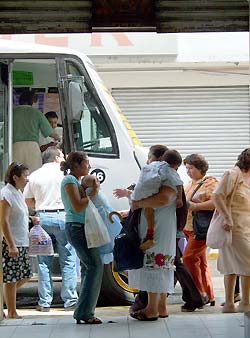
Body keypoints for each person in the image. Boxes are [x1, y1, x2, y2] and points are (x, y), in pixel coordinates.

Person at [114, 145, 204, 314]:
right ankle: (160, 306)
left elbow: (163, 199)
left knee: (154, 263)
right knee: (164, 264)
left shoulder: (163, 173)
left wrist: (139, 203)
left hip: (157, 227)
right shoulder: (168, 175)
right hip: (165, 226)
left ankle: (152, 309)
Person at [23, 147, 78, 312]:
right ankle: (70, 300)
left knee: (43, 262)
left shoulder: (34, 175)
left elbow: (28, 200)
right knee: (68, 259)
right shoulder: (64, 175)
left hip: (43, 219)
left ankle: (45, 302)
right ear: (56, 158)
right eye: (62, 155)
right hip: (63, 217)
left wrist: (40, 205)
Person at [60, 151, 103, 324]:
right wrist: (93, 193)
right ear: (76, 164)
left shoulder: (75, 181)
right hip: (76, 227)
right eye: (86, 163)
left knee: (88, 267)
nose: (89, 166)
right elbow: (77, 206)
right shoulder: (69, 180)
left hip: (81, 227)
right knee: (95, 266)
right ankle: (84, 312)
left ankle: (85, 311)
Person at [213, 148, 250, 313]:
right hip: (233, 228)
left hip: (245, 226)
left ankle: (230, 304)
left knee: (233, 265)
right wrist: (227, 217)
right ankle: (244, 302)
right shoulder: (232, 174)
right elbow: (217, 196)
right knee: (245, 262)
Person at [131, 149, 183, 251]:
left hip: (160, 230)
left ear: (160, 158)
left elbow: (163, 199)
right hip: (157, 228)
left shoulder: (167, 175)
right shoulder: (167, 173)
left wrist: (138, 203)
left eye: (150, 157)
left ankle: (150, 234)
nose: (147, 161)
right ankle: (149, 234)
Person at [183, 153, 217, 306]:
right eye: (187, 168)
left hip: (200, 228)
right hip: (188, 227)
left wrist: (196, 206)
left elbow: (215, 203)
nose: (188, 171)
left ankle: (199, 292)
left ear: (200, 168)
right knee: (201, 261)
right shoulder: (189, 183)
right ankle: (209, 294)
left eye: (191, 168)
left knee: (189, 258)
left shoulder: (210, 183)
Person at [0, 162, 33, 318]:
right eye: (25, 176)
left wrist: (32, 219)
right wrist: (10, 244)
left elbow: (18, 215)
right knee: (11, 278)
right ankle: (11, 311)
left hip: (22, 241)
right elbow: (4, 221)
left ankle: (4, 300)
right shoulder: (6, 194)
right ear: (15, 177)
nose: (28, 179)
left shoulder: (18, 193)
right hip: (12, 242)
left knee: (25, 275)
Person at [13, 90, 61, 173]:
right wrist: (59, 138)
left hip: (15, 147)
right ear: (31, 101)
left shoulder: (12, 113)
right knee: (33, 174)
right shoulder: (37, 113)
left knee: (16, 174)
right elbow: (49, 132)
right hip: (32, 148)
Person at [81, 174, 122, 264]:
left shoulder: (86, 194)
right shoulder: (97, 193)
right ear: (95, 183)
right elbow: (106, 207)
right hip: (104, 225)